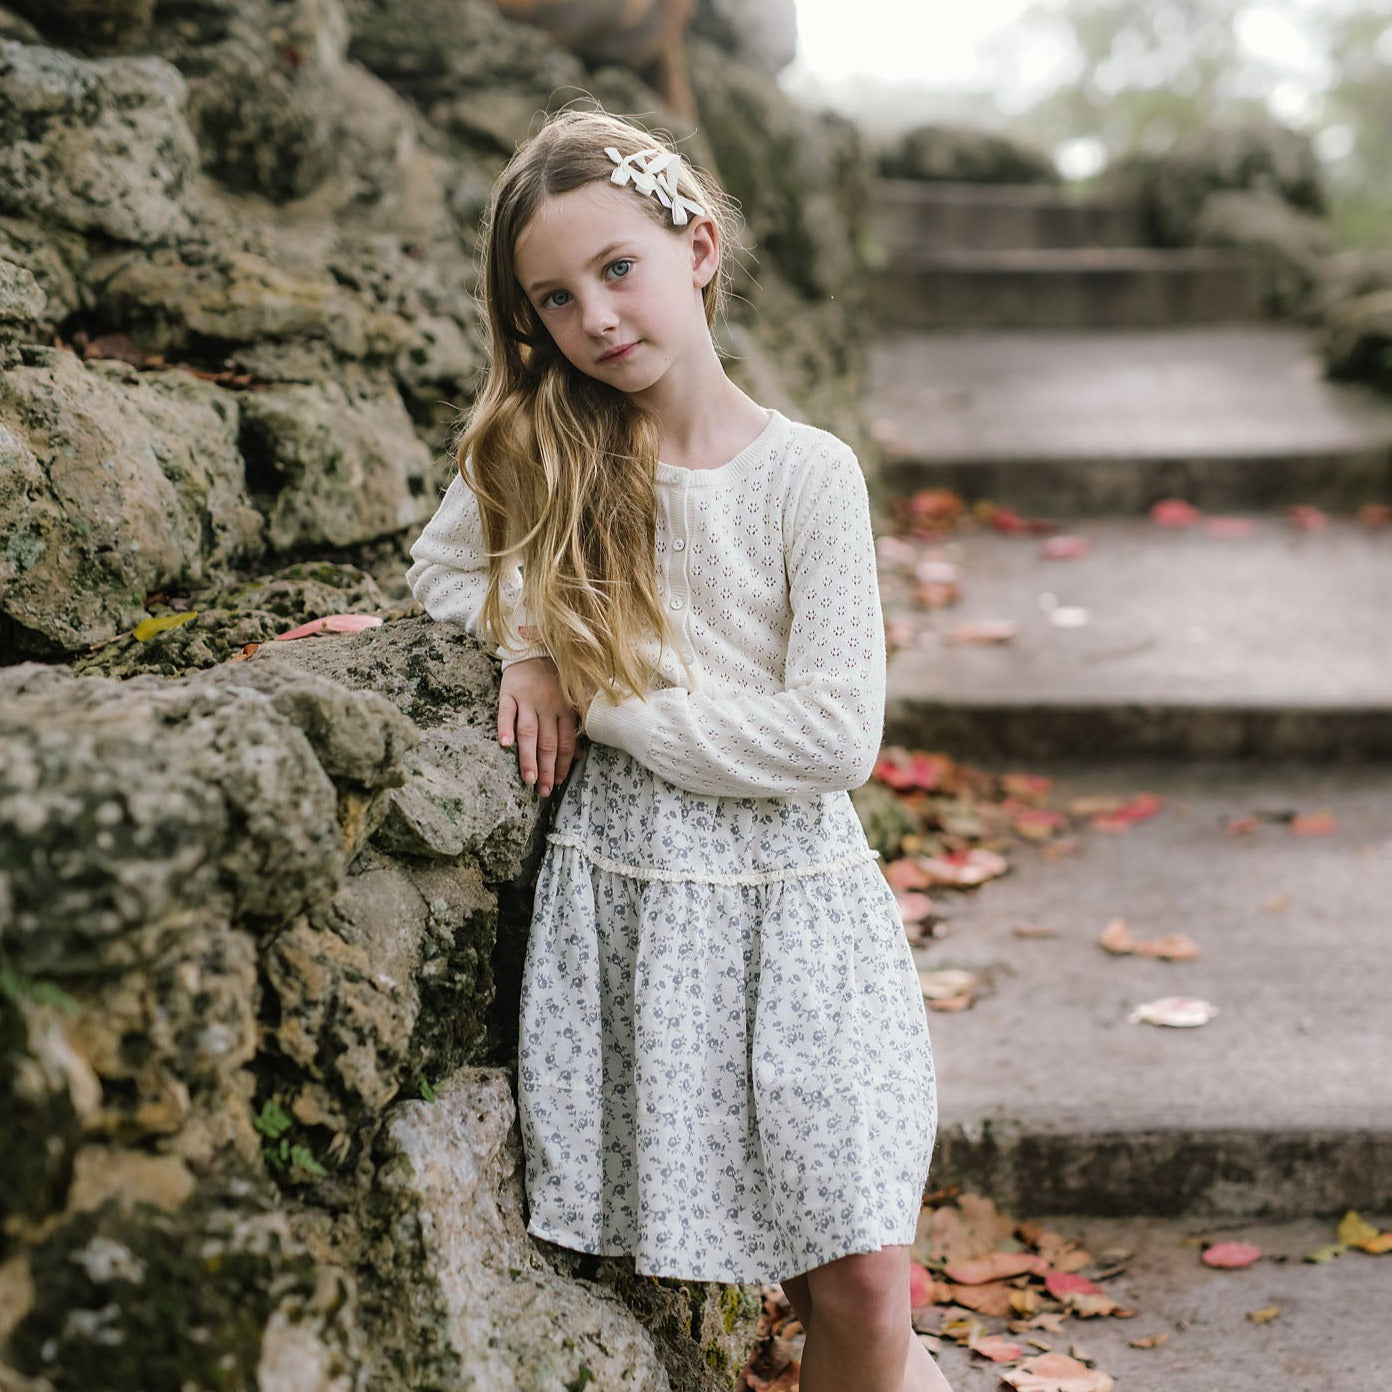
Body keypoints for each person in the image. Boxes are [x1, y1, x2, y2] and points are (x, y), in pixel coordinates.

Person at [405, 105, 948, 1392]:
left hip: (803, 904)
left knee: (867, 1278)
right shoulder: (551, 449)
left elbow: (833, 734)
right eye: (553, 297)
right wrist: (530, 638)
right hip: (648, 903)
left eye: (616, 269)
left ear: (697, 246)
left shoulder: (811, 475)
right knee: (802, 1279)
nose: (593, 316)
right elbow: (438, 576)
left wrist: (616, 708)